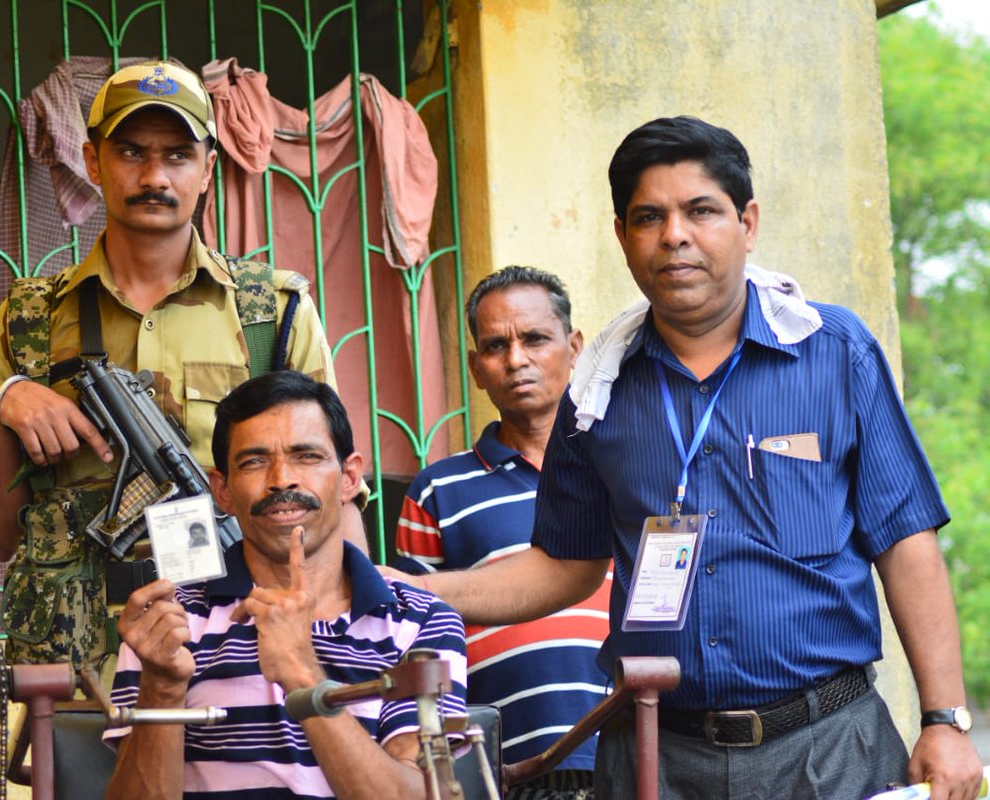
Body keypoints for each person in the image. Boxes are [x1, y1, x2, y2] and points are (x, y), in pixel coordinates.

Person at [383, 116, 984, 799]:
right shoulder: (598, 390)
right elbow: (566, 565)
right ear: (622, 235)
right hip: (657, 757)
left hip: (828, 747)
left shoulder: (834, 351)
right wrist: (416, 591)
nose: (675, 235)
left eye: (701, 210)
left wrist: (945, 719)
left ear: (747, 222)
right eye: (649, 217)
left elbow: (904, 539)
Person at [0, 61, 355, 669]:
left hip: (241, 646)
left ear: (207, 169)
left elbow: (332, 501)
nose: (154, 177)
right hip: (76, 656)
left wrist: (353, 642)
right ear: (93, 163)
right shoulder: (30, 320)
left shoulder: (271, 314)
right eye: (130, 152)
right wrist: (9, 401)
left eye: (177, 155)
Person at [104, 370, 467, 799]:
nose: (281, 479)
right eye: (254, 461)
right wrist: (162, 689)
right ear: (221, 490)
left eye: (306, 456)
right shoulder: (171, 625)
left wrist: (303, 675)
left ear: (350, 478)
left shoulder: (422, 621)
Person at [395, 266, 608, 799]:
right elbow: (415, 642)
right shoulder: (437, 491)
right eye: (496, 346)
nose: (516, 360)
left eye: (535, 338)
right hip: (509, 769)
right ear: (475, 368)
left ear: (574, 346)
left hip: (643, 748)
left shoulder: (625, 464)